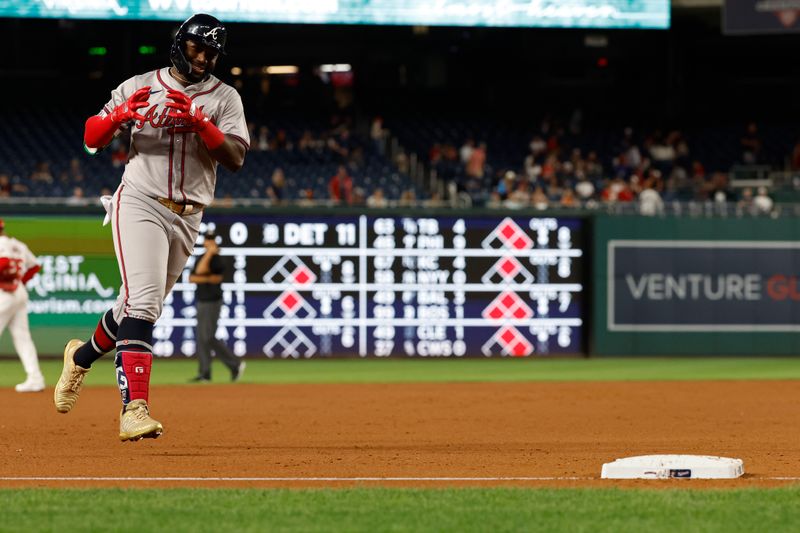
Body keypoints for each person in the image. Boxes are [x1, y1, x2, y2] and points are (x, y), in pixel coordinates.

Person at [53, 13, 249, 442]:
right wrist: (121, 113)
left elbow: (235, 157)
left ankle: (81, 358)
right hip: (140, 200)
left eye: (211, 52)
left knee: (131, 307)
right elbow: (90, 137)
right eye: (198, 48)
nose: (203, 58)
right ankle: (134, 409)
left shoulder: (224, 98)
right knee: (144, 305)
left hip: (189, 213)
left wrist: (202, 124)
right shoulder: (140, 84)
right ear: (181, 44)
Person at [188, 229, 245, 383]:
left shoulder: (218, 260)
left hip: (213, 301)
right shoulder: (202, 257)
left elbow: (214, 278)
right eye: (208, 239)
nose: (210, 242)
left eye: (212, 239)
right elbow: (193, 277)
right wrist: (207, 272)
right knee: (202, 338)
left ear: (215, 242)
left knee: (208, 336)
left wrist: (204, 271)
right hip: (201, 300)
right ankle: (205, 373)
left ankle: (235, 364)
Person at [0, 219, 44, 392]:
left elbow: (4, 263)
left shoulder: (2, 244)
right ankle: (35, 378)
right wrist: (20, 282)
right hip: (18, 292)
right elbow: (34, 266)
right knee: (23, 338)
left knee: (23, 338)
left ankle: (35, 378)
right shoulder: (18, 245)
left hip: (4, 293)